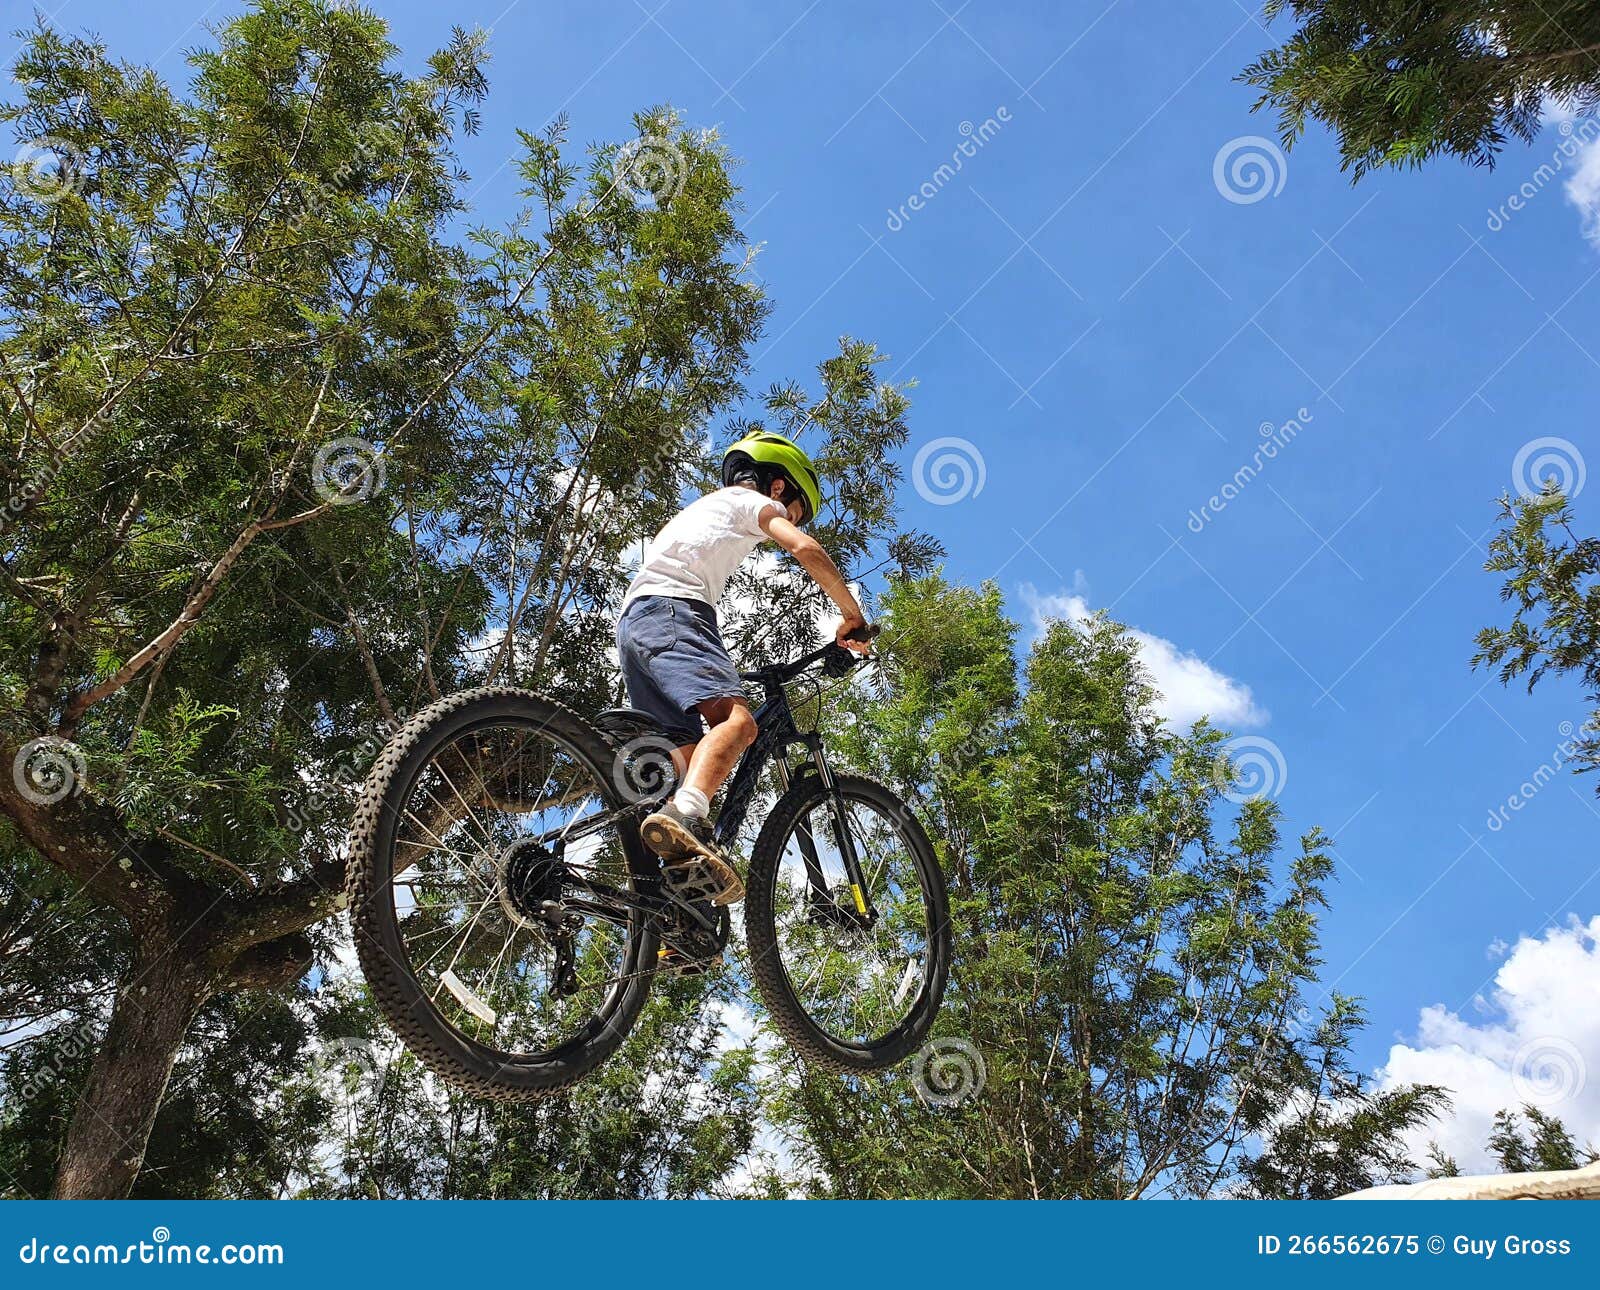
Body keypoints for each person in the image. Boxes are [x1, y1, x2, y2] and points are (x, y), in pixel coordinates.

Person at [616, 431, 871, 917]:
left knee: (688, 758)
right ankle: (685, 818)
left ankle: (669, 914)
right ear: (777, 488)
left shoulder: (705, 511)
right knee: (740, 723)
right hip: (674, 610)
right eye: (793, 509)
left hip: (635, 626)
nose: (788, 520)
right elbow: (807, 550)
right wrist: (850, 615)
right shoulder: (747, 501)